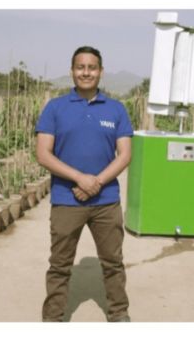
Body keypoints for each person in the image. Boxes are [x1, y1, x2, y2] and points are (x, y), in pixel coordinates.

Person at [35, 46, 133, 322]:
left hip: (106, 201)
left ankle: (118, 315)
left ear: (101, 72)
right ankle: (52, 318)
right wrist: (79, 178)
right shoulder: (55, 108)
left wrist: (97, 182)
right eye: (81, 67)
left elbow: (125, 154)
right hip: (67, 199)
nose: (86, 72)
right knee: (60, 265)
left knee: (113, 263)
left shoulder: (116, 109)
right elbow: (43, 154)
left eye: (92, 67)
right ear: (72, 71)